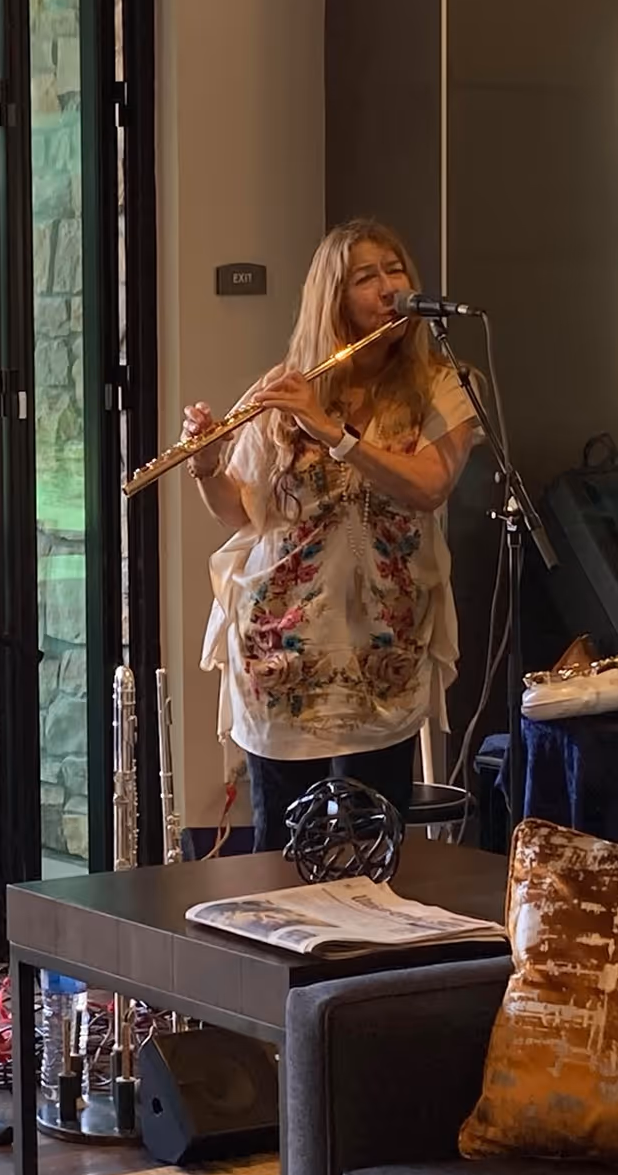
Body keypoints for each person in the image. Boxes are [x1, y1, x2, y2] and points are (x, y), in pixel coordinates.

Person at [189, 219, 478, 853]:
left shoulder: (442, 384)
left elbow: (428, 486)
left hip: (381, 644)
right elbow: (240, 512)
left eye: (394, 270)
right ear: (333, 296)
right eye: (365, 277)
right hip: (285, 642)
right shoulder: (292, 383)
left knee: (373, 839)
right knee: (282, 843)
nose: (387, 286)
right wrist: (207, 467)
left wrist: (336, 434)